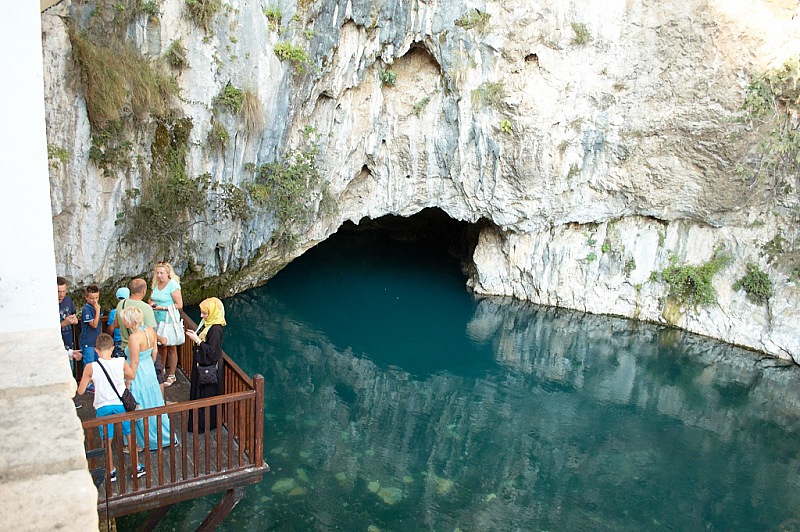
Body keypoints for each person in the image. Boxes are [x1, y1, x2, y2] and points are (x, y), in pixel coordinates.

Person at [76, 333, 143, 480]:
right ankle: (136, 466)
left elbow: (80, 391)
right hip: (120, 405)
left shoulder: (90, 367)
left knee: (107, 439)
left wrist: (91, 380)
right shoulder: (120, 362)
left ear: (96, 350)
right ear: (112, 348)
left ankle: (111, 470)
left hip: (102, 406)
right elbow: (131, 375)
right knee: (129, 435)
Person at [120, 307, 174, 450]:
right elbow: (154, 353)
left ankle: (142, 442)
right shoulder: (150, 330)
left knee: (139, 402)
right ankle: (165, 436)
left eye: (125, 319)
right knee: (154, 400)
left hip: (139, 373)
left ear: (130, 321)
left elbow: (135, 362)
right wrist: (149, 365)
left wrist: (128, 381)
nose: (123, 322)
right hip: (149, 369)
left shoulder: (134, 338)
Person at [116, 279, 167, 391]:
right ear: (144, 291)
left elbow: (116, 324)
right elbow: (149, 330)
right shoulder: (146, 308)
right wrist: (161, 339)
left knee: (133, 379)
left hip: (126, 348)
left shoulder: (121, 304)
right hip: (144, 349)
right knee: (158, 376)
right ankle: (160, 403)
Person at [186, 297, 226, 433]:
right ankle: (202, 423)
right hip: (203, 366)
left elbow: (212, 352)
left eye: (204, 313)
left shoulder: (215, 329)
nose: (201, 316)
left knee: (205, 397)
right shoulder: (208, 324)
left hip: (208, 368)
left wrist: (197, 341)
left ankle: (204, 424)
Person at [149, 261, 183, 388]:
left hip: (168, 321)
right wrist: (152, 303)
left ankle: (172, 375)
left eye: (161, 273)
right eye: (157, 273)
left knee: (171, 347)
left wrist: (163, 308)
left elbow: (179, 305)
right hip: (157, 319)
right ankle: (161, 370)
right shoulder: (156, 284)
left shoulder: (173, 285)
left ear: (168, 273)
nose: (159, 275)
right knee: (161, 346)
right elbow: (151, 298)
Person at [57, 276, 81, 368]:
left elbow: (73, 314)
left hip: (69, 344)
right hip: (57, 345)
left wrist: (74, 321)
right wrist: (63, 324)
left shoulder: (68, 300)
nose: (61, 295)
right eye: (59, 292)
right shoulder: (49, 304)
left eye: (64, 291)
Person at [79, 285, 102, 369]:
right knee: (89, 366)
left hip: (97, 342)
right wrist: (97, 311)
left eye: (97, 298)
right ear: (86, 297)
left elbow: (100, 324)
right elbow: (94, 325)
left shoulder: (97, 307)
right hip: (88, 343)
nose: (95, 301)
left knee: (98, 364)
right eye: (92, 298)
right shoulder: (86, 309)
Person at [107, 287, 129, 358]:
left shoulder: (114, 312)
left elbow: (111, 329)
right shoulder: (131, 311)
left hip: (118, 340)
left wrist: (109, 337)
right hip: (130, 340)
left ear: (117, 298)